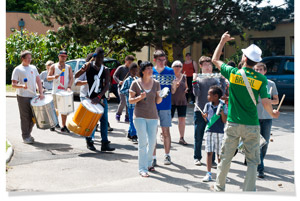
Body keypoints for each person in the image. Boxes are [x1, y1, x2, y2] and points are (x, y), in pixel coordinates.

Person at [211, 31, 280, 191]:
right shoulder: (261, 79)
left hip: (233, 123)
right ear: (256, 62)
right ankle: (248, 191)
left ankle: (219, 188)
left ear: (244, 59)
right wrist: (273, 113)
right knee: (252, 161)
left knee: (226, 158)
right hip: (251, 125)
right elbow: (264, 102)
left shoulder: (233, 73)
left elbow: (215, 60)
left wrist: (222, 41)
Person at [75, 47, 115, 152]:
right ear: (95, 57)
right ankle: (89, 141)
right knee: (91, 121)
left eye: (103, 57)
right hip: (89, 98)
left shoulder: (105, 69)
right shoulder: (88, 67)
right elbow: (76, 76)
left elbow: (107, 85)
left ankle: (104, 143)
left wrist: (99, 97)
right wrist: (82, 69)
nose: (101, 59)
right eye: (100, 57)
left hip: (100, 98)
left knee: (104, 120)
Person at [129, 61, 162, 177]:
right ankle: (142, 168)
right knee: (143, 142)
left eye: (151, 68)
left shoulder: (156, 83)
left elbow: (158, 101)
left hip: (153, 116)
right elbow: (130, 100)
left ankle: (148, 163)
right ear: (142, 71)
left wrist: (161, 96)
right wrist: (139, 97)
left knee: (152, 142)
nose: (150, 70)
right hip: (139, 116)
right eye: (148, 68)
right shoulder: (135, 83)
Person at [193, 56, 226, 166]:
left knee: (212, 136)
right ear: (201, 66)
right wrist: (194, 81)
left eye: (210, 64)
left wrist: (222, 79)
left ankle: (211, 161)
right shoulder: (198, 78)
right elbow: (196, 94)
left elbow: (222, 92)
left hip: (213, 111)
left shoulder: (216, 78)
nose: (208, 67)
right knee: (198, 135)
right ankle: (197, 157)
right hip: (200, 110)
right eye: (206, 65)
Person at [11, 50, 45, 144]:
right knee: (25, 117)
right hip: (23, 96)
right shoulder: (18, 69)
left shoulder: (33, 68)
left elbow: (38, 80)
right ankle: (25, 136)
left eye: (30, 58)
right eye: (28, 58)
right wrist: (22, 86)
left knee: (34, 117)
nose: (30, 60)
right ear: (22, 59)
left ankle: (28, 134)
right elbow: (13, 84)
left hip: (33, 96)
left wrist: (41, 92)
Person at [254, 62, 279, 178]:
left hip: (268, 117)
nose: (258, 71)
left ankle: (259, 161)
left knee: (265, 144)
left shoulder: (271, 84)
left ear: (265, 71)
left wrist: (267, 101)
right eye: (256, 69)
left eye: (260, 70)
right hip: (254, 117)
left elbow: (276, 101)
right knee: (257, 143)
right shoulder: (251, 83)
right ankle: (260, 169)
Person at [152, 50, 175, 166]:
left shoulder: (170, 71)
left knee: (165, 131)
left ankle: (167, 155)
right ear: (155, 60)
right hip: (152, 105)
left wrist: (175, 85)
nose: (162, 62)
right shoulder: (150, 71)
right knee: (153, 132)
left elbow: (173, 90)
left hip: (165, 105)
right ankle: (153, 157)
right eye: (160, 60)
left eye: (164, 59)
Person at [201, 86, 228, 182]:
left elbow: (224, 121)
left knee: (219, 154)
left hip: (220, 132)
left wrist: (222, 113)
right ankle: (208, 173)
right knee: (209, 152)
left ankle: (221, 174)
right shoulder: (207, 105)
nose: (208, 96)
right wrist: (204, 116)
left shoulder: (223, 106)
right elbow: (206, 120)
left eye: (209, 95)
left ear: (216, 96)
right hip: (209, 131)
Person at [47, 50, 74, 133]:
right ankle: (53, 123)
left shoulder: (68, 67)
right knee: (55, 109)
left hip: (64, 92)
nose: (63, 58)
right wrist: (54, 77)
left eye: (65, 56)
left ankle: (63, 126)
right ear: (58, 56)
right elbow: (48, 77)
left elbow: (71, 78)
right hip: (56, 91)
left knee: (64, 109)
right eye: (62, 56)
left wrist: (69, 86)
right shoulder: (53, 67)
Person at [120, 63, 139, 143]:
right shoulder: (127, 81)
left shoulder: (138, 80)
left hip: (138, 105)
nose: (135, 72)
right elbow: (122, 90)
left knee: (136, 120)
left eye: (136, 71)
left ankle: (129, 133)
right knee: (132, 120)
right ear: (130, 71)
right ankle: (134, 135)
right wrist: (128, 91)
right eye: (133, 71)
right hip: (130, 104)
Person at [170, 60, 188, 145]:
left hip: (182, 101)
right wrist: (174, 86)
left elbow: (186, 86)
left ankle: (181, 137)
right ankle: (164, 134)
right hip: (171, 100)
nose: (178, 68)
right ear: (172, 67)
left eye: (180, 66)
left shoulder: (184, 76)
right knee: (168, 119)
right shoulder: (170, 76)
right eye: (176, 66)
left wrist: (186, 89)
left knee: (182, 119)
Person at [113, 55, 135, 122]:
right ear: (125, 61)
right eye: (129, 62)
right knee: (123, 101)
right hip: (121, 88)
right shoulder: (121, 68)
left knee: (129, 102)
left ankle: (127, 116)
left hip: (129, 88)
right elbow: (114, 76)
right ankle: (118, 114)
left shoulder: (132, 70)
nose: (130, 64)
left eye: (131, 62)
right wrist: (119, 81)